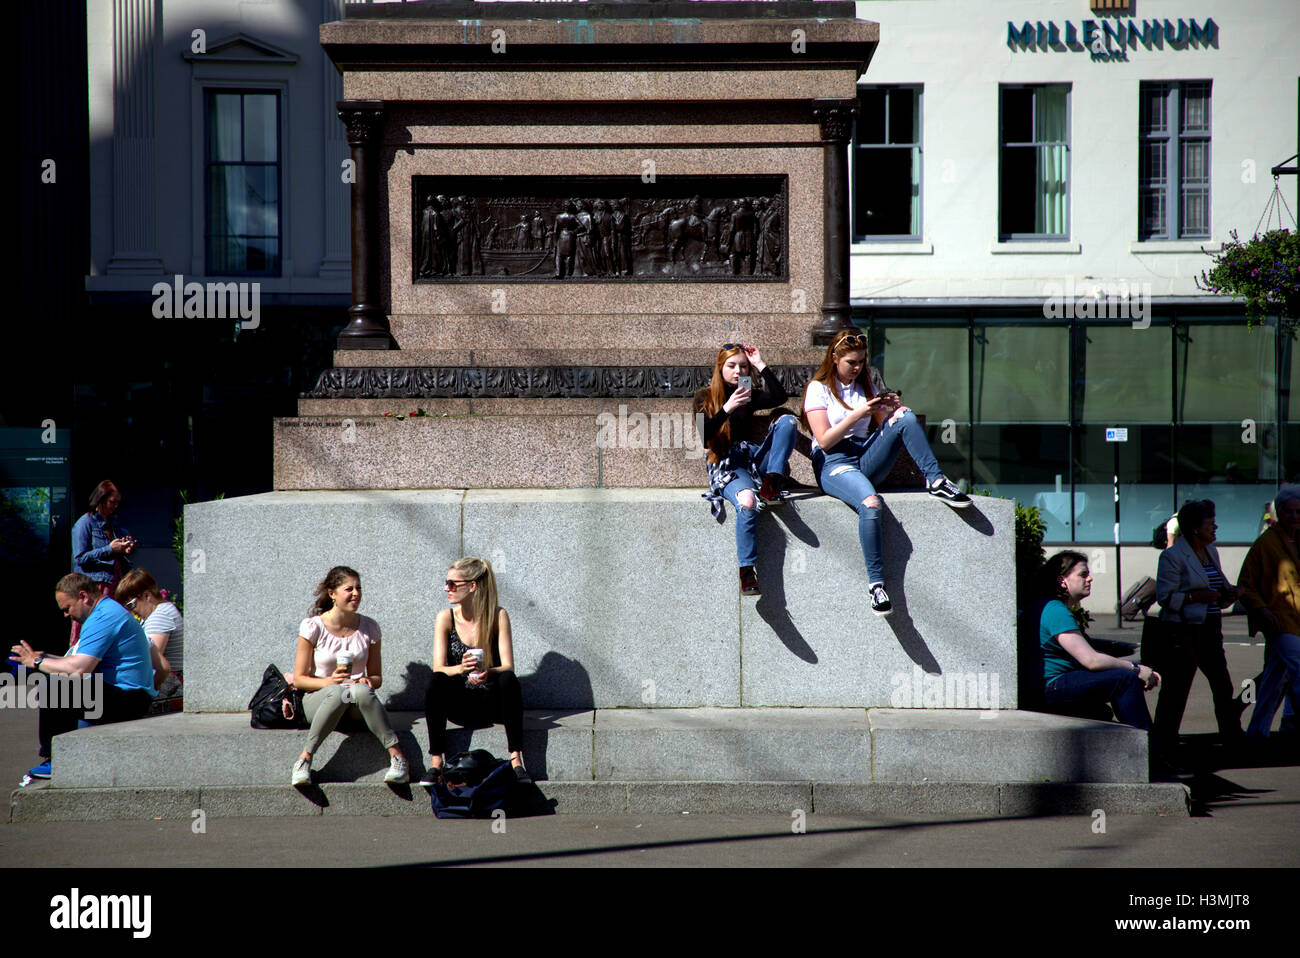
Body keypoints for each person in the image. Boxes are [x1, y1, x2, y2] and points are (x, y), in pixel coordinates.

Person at [801, 329, 970, 617]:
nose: (857, 368)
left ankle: (936, 480)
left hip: (863, 455)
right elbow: (825, 439)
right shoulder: (818, 388)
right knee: (871, 503)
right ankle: (876, 585)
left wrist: (887, 409)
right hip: (834, 462)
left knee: (904, 416)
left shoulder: (864, 384)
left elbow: (882, 427)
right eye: (851, 362)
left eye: (861, 362)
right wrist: (858, 413)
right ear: (834, 358)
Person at [9, 573, 156, 781]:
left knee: (55, 687)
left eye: (67, 608)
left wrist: (38, 663)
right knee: (56, 679)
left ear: (83, 596)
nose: (66, 615)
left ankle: (55, 759)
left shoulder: (104, 617)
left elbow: (79, 670)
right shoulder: (105, 612)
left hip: (130, 698)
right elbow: (78, 662)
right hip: (125, 694)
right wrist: (42, 658)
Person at [694, 343, 799, 596]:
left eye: (742, 366)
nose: (737, 370)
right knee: (748, 502)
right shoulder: (704, 396)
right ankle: (747, 571)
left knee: (787, 420)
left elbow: (779, 397)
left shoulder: (747, 391)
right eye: (731, 366)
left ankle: (771, 483)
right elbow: (703, 435)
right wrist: (727, 408)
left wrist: (760, 364)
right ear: (720, 368)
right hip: (728, 464)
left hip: (753, 458)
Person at [290, 566, 408, 786]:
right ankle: (304, 760)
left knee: (360, 690)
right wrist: (329, 681)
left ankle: (398, 758)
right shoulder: (313, 627)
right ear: (332, 593)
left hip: (354, 703)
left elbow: (376, 677)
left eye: (359, 588)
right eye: (349, 589)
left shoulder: (369, 627)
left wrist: (367, 681)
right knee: (337, 692)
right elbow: (299, 679)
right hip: (320, 700)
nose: (356, 594)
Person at [421, 558, 529, 785]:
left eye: (452, 584)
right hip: (460, 704)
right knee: (436, 680)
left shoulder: (497, 615)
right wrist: (461, 668)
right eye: (446, 582)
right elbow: (438, 667)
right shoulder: (446, 618)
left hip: (491, 702)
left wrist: (488, 672)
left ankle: (516, 760)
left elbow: (508, 665)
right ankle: (435, 762)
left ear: (472, 586)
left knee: (508, 679)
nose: (446, 588)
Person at [1032, 552, 1161, 733]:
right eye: (1083, 575)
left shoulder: (1048, 606)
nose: (1090, 579)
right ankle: (1151, 752)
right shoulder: (1055, 611)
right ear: (1062, 581)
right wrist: (1136, 668)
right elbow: (1091, 661)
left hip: (1049, 685)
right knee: (1125, 679)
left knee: (1115, 687)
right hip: (1052, 685)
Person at [1152, 499, 1241, 748]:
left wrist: (1229, 594)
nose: (1215, 528)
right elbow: (1165, 597)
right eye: (1210, 524)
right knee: (1177, 687)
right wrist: (1197, 596)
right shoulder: (1173, 556)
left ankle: (1232, 733)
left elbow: (1217, 588)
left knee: (1223, 684)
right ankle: (1164, 740)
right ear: (1194, 528)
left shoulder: (1211, 552)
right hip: (1184, 631)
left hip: (1211, 627)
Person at [1236, 484, 1300, 741]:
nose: (1294, 517)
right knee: (1298, 670)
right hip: (1280, 620)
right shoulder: (1266, 543)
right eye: (1289, 512)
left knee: (1274, 678)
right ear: (1279, 512)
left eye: (1299, 512)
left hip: (1295, 620)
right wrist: (1262, 610)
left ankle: (1257, 731)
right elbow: (1245, 585)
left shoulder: (1297, 539)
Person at [70, 480, 137, 643]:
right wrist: (110, 549)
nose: (115, 506)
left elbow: (116, 554)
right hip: (95, 586)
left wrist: (126, 549)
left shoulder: (113, 525)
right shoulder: (85, 523)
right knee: (91, 631)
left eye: (117, 503)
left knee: (111, 630)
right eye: (112, 502)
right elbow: (79, 558)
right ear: (100, 499)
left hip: (114, 585)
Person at [114, 569, 184, 713]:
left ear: (147, 596)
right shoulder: (165, 609)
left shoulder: (159, 617)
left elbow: (150, 664)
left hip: (167, 694)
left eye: (130, 605)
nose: (131, 611)